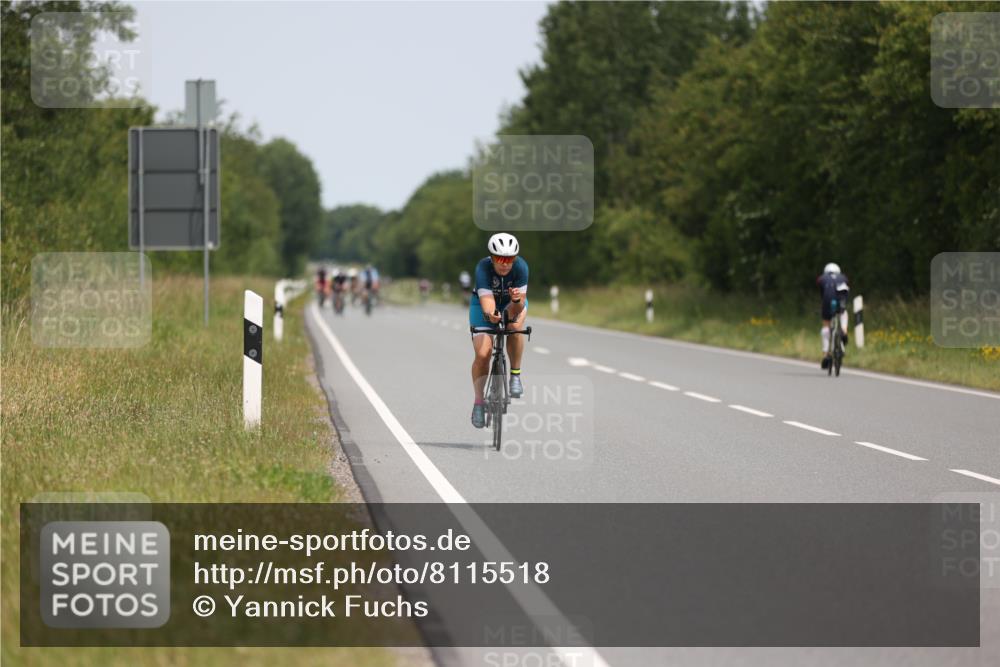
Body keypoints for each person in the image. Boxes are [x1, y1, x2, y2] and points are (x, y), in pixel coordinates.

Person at [469, 233, 528, 429]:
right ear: (492, 258)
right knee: (483, 354)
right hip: (483, 305)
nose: (505, 264)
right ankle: (478, 403)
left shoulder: (521, 267)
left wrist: (517, 301)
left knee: (515, 327)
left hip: (513, 302)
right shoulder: (483, 268)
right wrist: (492, 315)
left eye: (509, 259)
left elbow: (516, 309)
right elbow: (487, 304)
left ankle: (516, 375)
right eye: (500, 259)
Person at [817, 262, 850, 370]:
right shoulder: (843, 277)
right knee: (843, 312)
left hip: (827, 300)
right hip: (841, 296)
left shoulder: (822, 278)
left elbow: (822, 294)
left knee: (826, 325)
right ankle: (844, 331)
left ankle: (826, 354)